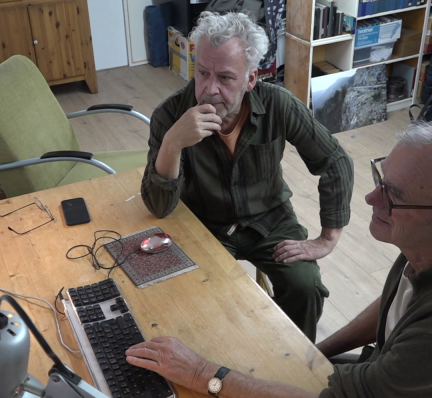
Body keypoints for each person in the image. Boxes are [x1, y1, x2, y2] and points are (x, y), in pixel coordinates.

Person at [127, 115, 432, 398]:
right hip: (407, 390)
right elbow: (399, 302)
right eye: (382, 178)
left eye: (393, 195)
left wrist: (205, 375)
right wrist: (316, 353)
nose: (369, 197)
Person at [140, 12, 354, 342]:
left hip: (269, 220)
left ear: (251, 79)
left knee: (305, 287)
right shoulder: (170, 114)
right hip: (204, 224)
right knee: (190, 297)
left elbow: (335, 161)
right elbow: (158, 208)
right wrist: (172, 144)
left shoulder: (278, 104)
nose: (209, 89)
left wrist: (327, 239)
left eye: (225, 78)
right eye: (202, 73)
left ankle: (296, 369)